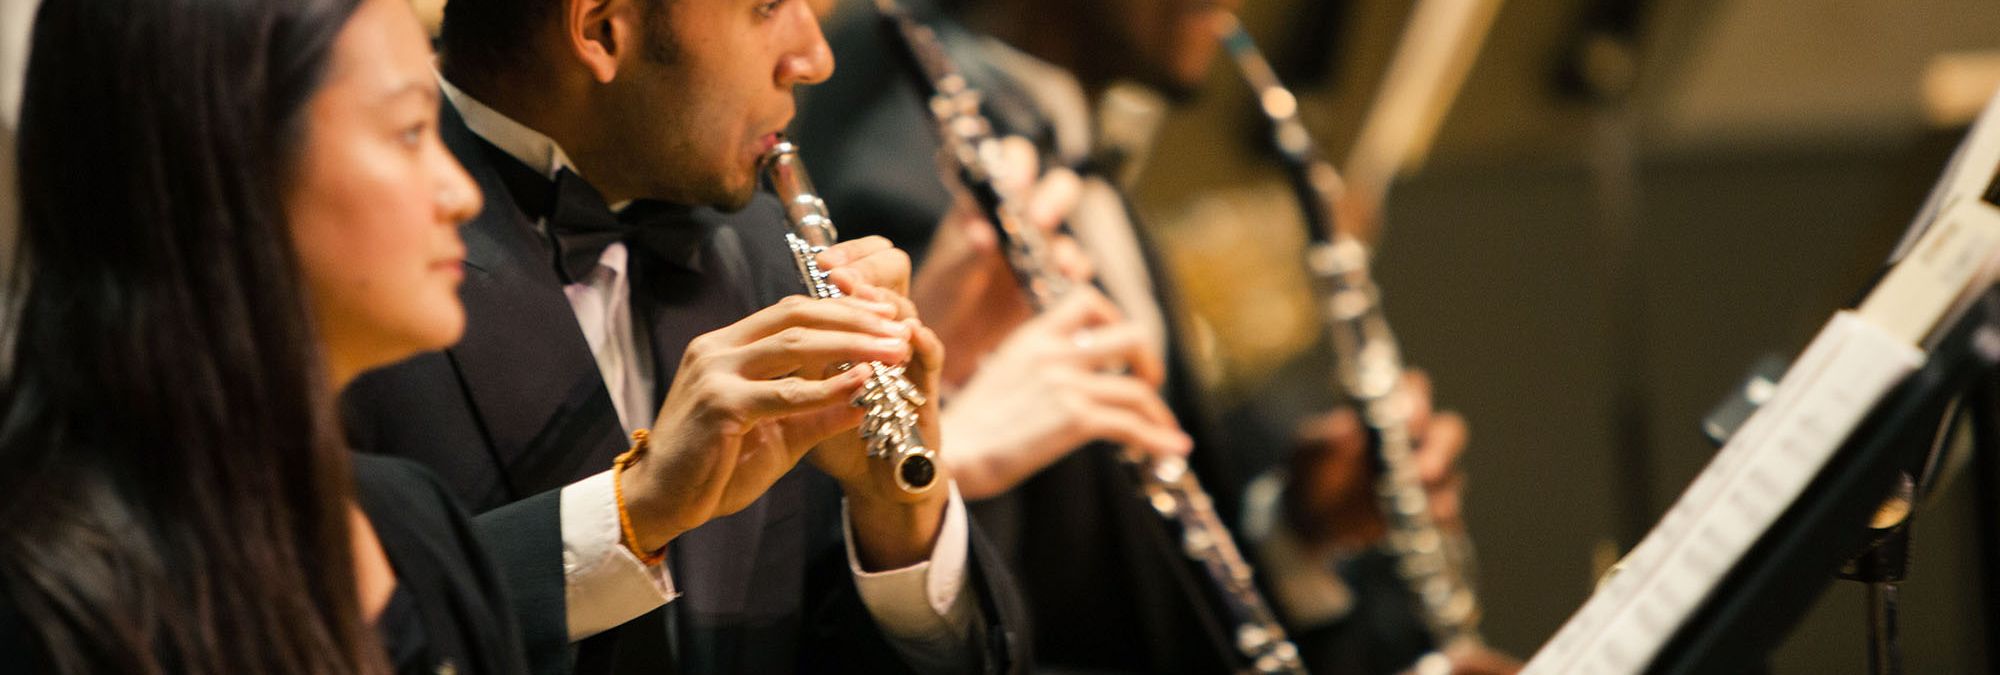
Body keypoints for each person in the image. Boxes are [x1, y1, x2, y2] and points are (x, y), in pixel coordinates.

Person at [795, 0, 1508, 672]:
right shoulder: (901, 185)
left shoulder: (1062, 150)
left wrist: (1296, 532)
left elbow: (1138, 599)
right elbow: (974, 629)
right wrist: (944, 441)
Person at [339, 0, 1030, 672]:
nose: (815, 59)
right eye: (766, 7)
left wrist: (896, 525)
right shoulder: (340, 268)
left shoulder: (762, 249)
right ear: (603, 29)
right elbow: (308, 623)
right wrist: (629, 512)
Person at [0, 0, 568, 670]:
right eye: (411, 132)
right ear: (225, 158)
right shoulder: (43, 605)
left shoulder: (415, 523)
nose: (461, 193)